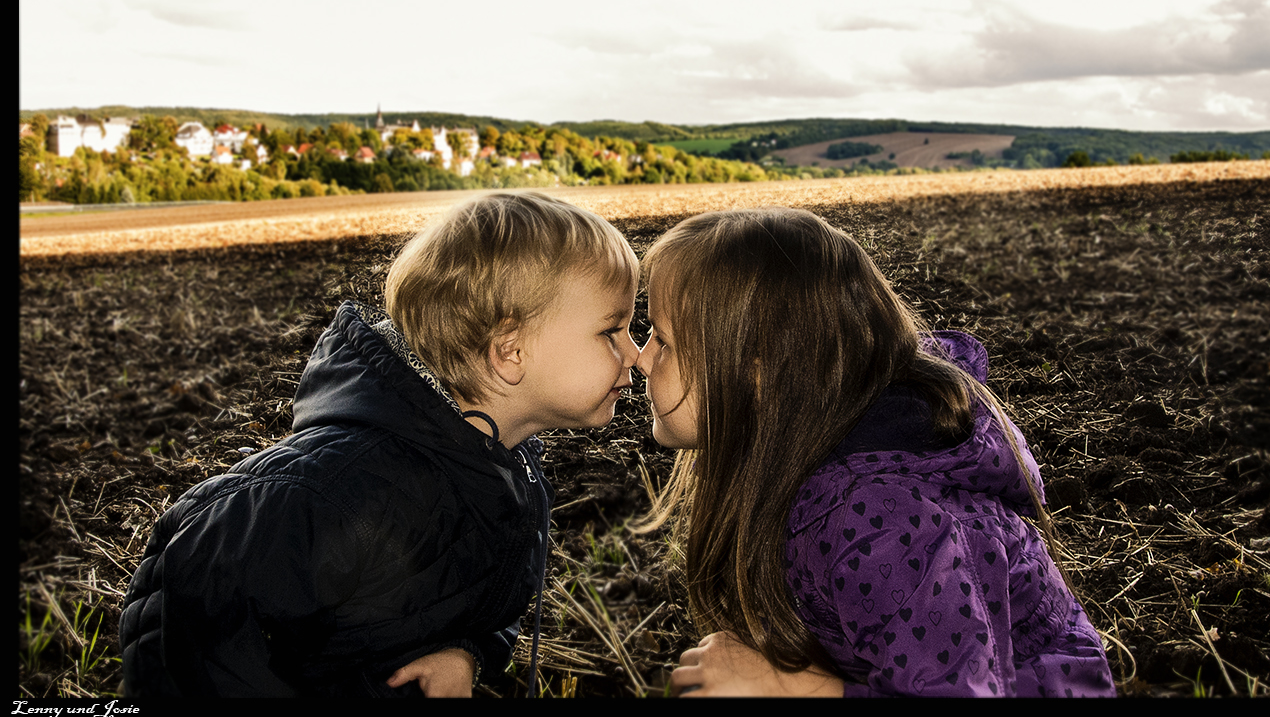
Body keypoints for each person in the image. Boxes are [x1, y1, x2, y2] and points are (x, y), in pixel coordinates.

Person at [118, 192, 641, 697]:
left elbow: (478, 595)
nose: (635, 354)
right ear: (509, 351)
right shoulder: (345, 485)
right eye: (612, 331)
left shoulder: (500, 467)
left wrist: (464, 650)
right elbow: (188, 603)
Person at [633, 207, 1115, 697]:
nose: (641, 356)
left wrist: (792, 689)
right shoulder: (791, 459)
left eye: (663, 339)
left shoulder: (885, 521)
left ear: (760, 371)